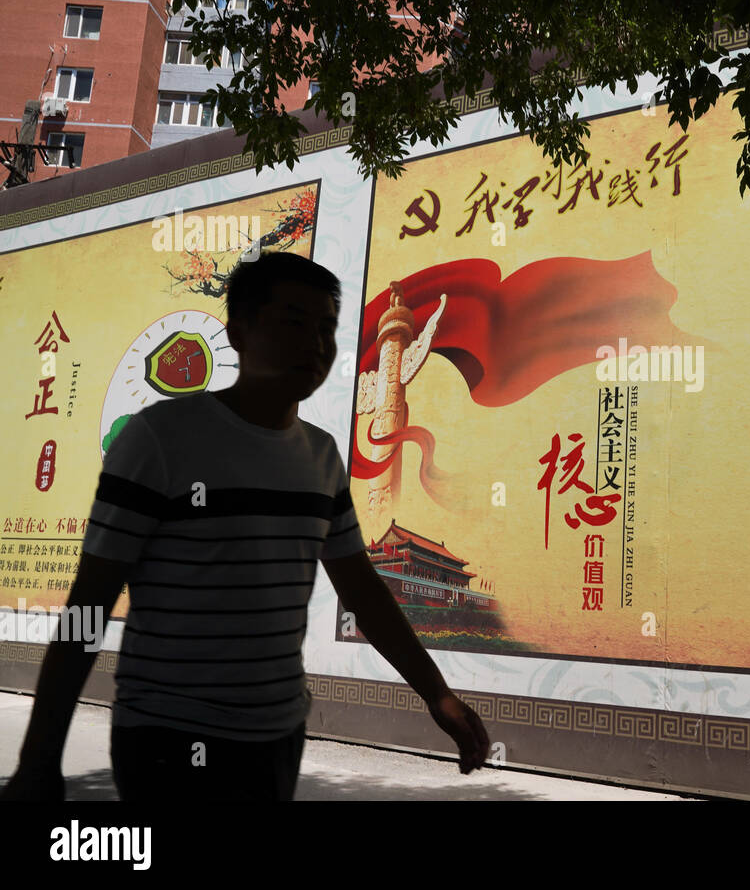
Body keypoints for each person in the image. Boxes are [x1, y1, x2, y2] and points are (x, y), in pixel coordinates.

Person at [2, 253, 489, 801]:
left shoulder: (321, 458)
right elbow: (88, 606)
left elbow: (363, 593)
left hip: (277, 738)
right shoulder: (160, 439)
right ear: (239, 331)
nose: (315, 343)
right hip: (167, 740)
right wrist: (39, 759)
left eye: (326, 327)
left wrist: (436, 695)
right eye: (293, 322)